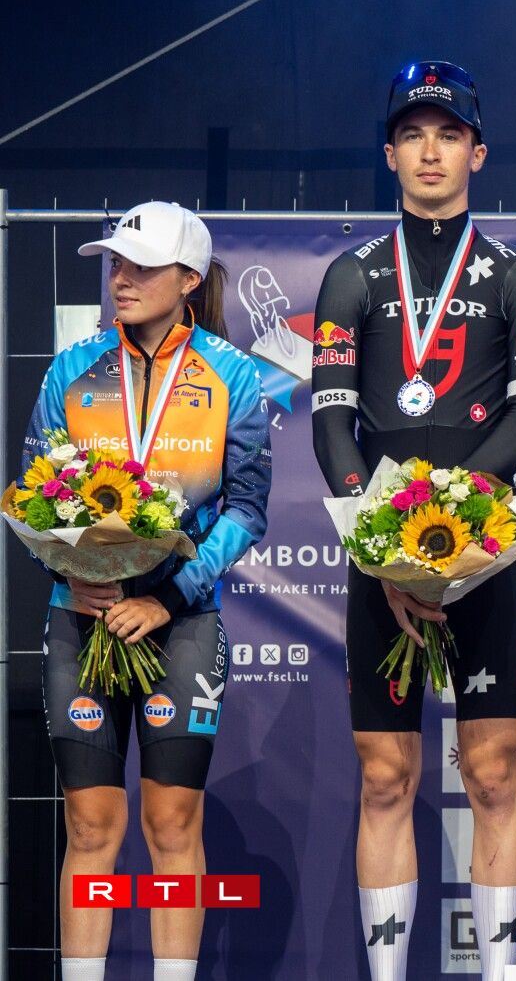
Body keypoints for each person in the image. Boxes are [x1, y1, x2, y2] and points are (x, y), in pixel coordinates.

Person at [310, 61, 516, 981]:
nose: (429, 151)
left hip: (480, 550)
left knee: (491, 772)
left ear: (477, 153)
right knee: (385, 777)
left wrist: (447, 522)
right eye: (412, 134)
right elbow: (332, 423)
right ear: (389, 154)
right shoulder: (351, 275)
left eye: (448, 135)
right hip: (381, 555)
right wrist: (386, 547)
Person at [20, 201, 272, 981]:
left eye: (141, 267)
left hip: (180, 620)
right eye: (116, 264)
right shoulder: (72, 368)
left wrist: (167, 597)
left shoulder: (231, 375)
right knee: (91, 827)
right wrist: (70, 573)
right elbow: (34, 493)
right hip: (81, 618)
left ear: (188, 280)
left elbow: (247, 509)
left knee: (171, 823)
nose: (120, 279)